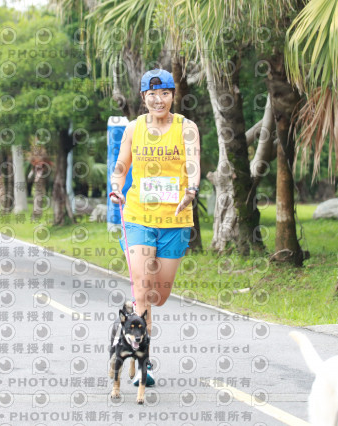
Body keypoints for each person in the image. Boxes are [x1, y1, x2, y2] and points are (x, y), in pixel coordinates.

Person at [109, 69, 200, 386]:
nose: (158, 100)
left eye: (165, 94)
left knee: (158, 295)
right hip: (138, 216)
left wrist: (192, 190)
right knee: (142, 288)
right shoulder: (134, 128)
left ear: (173, 95)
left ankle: (137, 309)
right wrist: (116, 186)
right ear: (143, 97)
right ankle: (142, 363)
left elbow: (193, 164)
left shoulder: (186, 128)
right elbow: (121, 165)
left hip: (175, 219)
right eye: (152, 94)